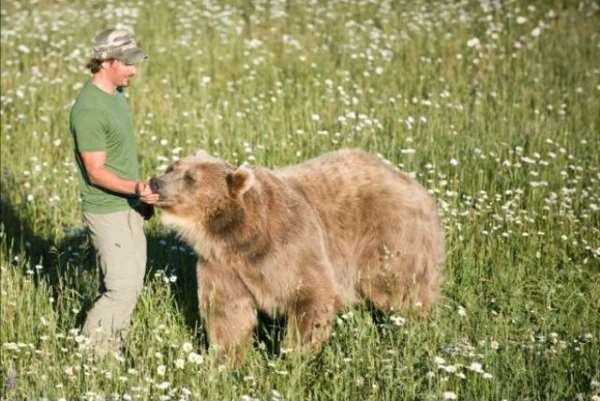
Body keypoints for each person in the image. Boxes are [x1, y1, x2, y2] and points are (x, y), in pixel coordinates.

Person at [69, 28, 159, 355]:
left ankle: (112, 346)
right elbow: (95, 173)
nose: (134, 70)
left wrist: (139, 199)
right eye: (127, 64)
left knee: (132, 285)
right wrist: (135, 188)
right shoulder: (90, 110)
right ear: (106, 62)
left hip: (129, 205)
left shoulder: (117, 96)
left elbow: (119, 159)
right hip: (107, 210)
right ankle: (93, 359)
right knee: (121, 289)